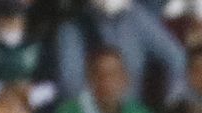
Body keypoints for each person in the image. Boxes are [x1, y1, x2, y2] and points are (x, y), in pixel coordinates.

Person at [55, 0, 188, 104]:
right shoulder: (73, 28)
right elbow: (71, 83)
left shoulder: (136, 17)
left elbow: (177, 60)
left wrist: (173, 103)